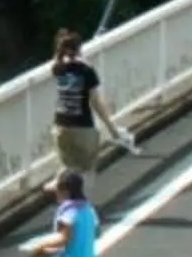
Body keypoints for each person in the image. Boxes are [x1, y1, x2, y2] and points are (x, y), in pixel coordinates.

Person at [48, 28, 139, 174]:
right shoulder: (86, 70)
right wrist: (112, 129)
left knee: (68, 171)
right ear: (79, 49)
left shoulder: (58, 68)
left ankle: (57, 186)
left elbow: (57, 60)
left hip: (60, 127)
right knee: (86, 173)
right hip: (82, 127)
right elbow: (96, 103)